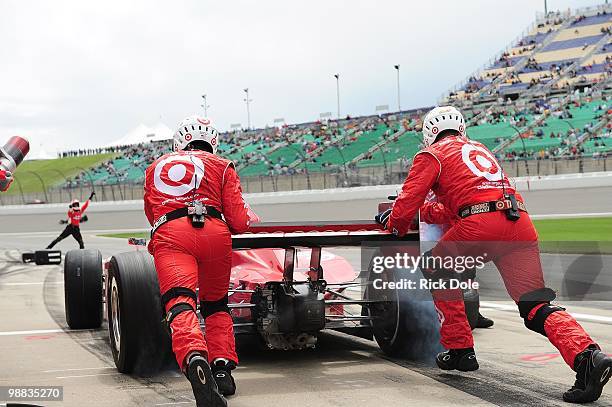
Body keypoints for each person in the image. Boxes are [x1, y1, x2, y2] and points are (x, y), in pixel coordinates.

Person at [375, 106, 611, 403]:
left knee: (435, 266)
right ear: (462, 129)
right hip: (519, 224)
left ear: (429, 134)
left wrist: (394, 220)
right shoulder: (479, 149)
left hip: (481, 225)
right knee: (535, 305)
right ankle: (587, 356)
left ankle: (460, 349)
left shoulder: (430, 154)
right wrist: (424, 212)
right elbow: (455, 203)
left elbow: (408, 201)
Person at [144, 116, 257, 407]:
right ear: (213, 143)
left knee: (181, 303)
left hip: (171, 233)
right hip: (215, 233)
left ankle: (195, 357)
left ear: (179, 142)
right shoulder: (222, 166)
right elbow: (240, 220)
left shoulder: (155, 167)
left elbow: (151, 213)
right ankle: (222, 368)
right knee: (216, 304)